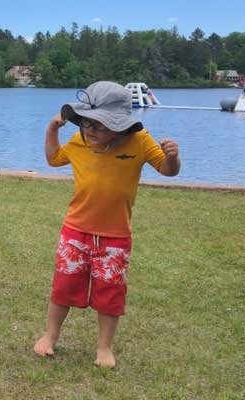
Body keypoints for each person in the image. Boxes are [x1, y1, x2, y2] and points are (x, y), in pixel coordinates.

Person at [33, 81, 181, 368]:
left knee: (110, 293)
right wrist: (52, 130)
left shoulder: (140, 142)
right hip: (75, 231)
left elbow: (167, 170)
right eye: (86, 123)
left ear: (121, 125)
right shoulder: (79, 142)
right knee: (63, 287)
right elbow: (53, 159)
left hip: (115, 237)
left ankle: (104, 348)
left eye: (98, 124)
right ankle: (50, 336)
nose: (90, 129)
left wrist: (174, 158)